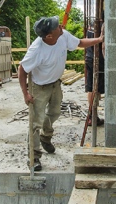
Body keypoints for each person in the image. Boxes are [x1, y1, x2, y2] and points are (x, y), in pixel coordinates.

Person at [19, 16, 104, 171]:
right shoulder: (36, 50)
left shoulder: (63, 35)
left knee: (54, 113)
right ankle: (34, 156)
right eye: (57, 27)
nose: (61, 27)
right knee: (35, 122)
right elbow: (22, 70)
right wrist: (26, 94)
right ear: (49, 36)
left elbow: (79, 43)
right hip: (39, 87)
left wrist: (99, 39)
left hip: (55, 84)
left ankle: (46, 137)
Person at [85, 21, 105, 126]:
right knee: (95, 89)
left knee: (93, 88)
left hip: (90, 57)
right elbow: (103, 46)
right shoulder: (103, 25)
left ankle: (92, 116)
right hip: (98, 60)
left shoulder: (93, 23)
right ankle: (93, 117)